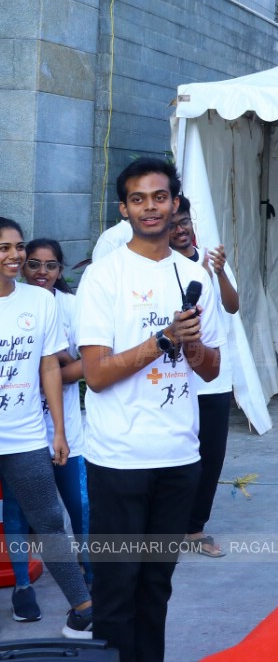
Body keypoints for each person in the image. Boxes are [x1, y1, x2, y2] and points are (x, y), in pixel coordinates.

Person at [76, 157, 222, 662]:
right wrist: (161, 340)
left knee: (156, 585)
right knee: (117, 590)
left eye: (160, 197)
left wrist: (192, 344)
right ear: (125, 209)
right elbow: (95, 375)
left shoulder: (192, 275)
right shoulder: (103, 277)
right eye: (139, 199)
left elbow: (210, 368)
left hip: (179, 459)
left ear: (175, 203)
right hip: (118, 460)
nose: (151, 207)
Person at [0, 220, 94, 638]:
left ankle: (84, 608)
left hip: (24, 436)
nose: (15, 256)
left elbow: (48, 366)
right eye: (4, 248)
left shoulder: (40, 302)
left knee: (50, 520)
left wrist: (57, 429)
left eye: (17, 247)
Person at [168, 200, 238, 559]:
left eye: (185, 223)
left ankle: (195, 528)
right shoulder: (158, 267)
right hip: (172, 375)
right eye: (173, 224)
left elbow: (233, 305)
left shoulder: (209, 259)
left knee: (210, 454)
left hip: (212, 375)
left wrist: (221, 272)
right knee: (175, 452)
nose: (180, 230)